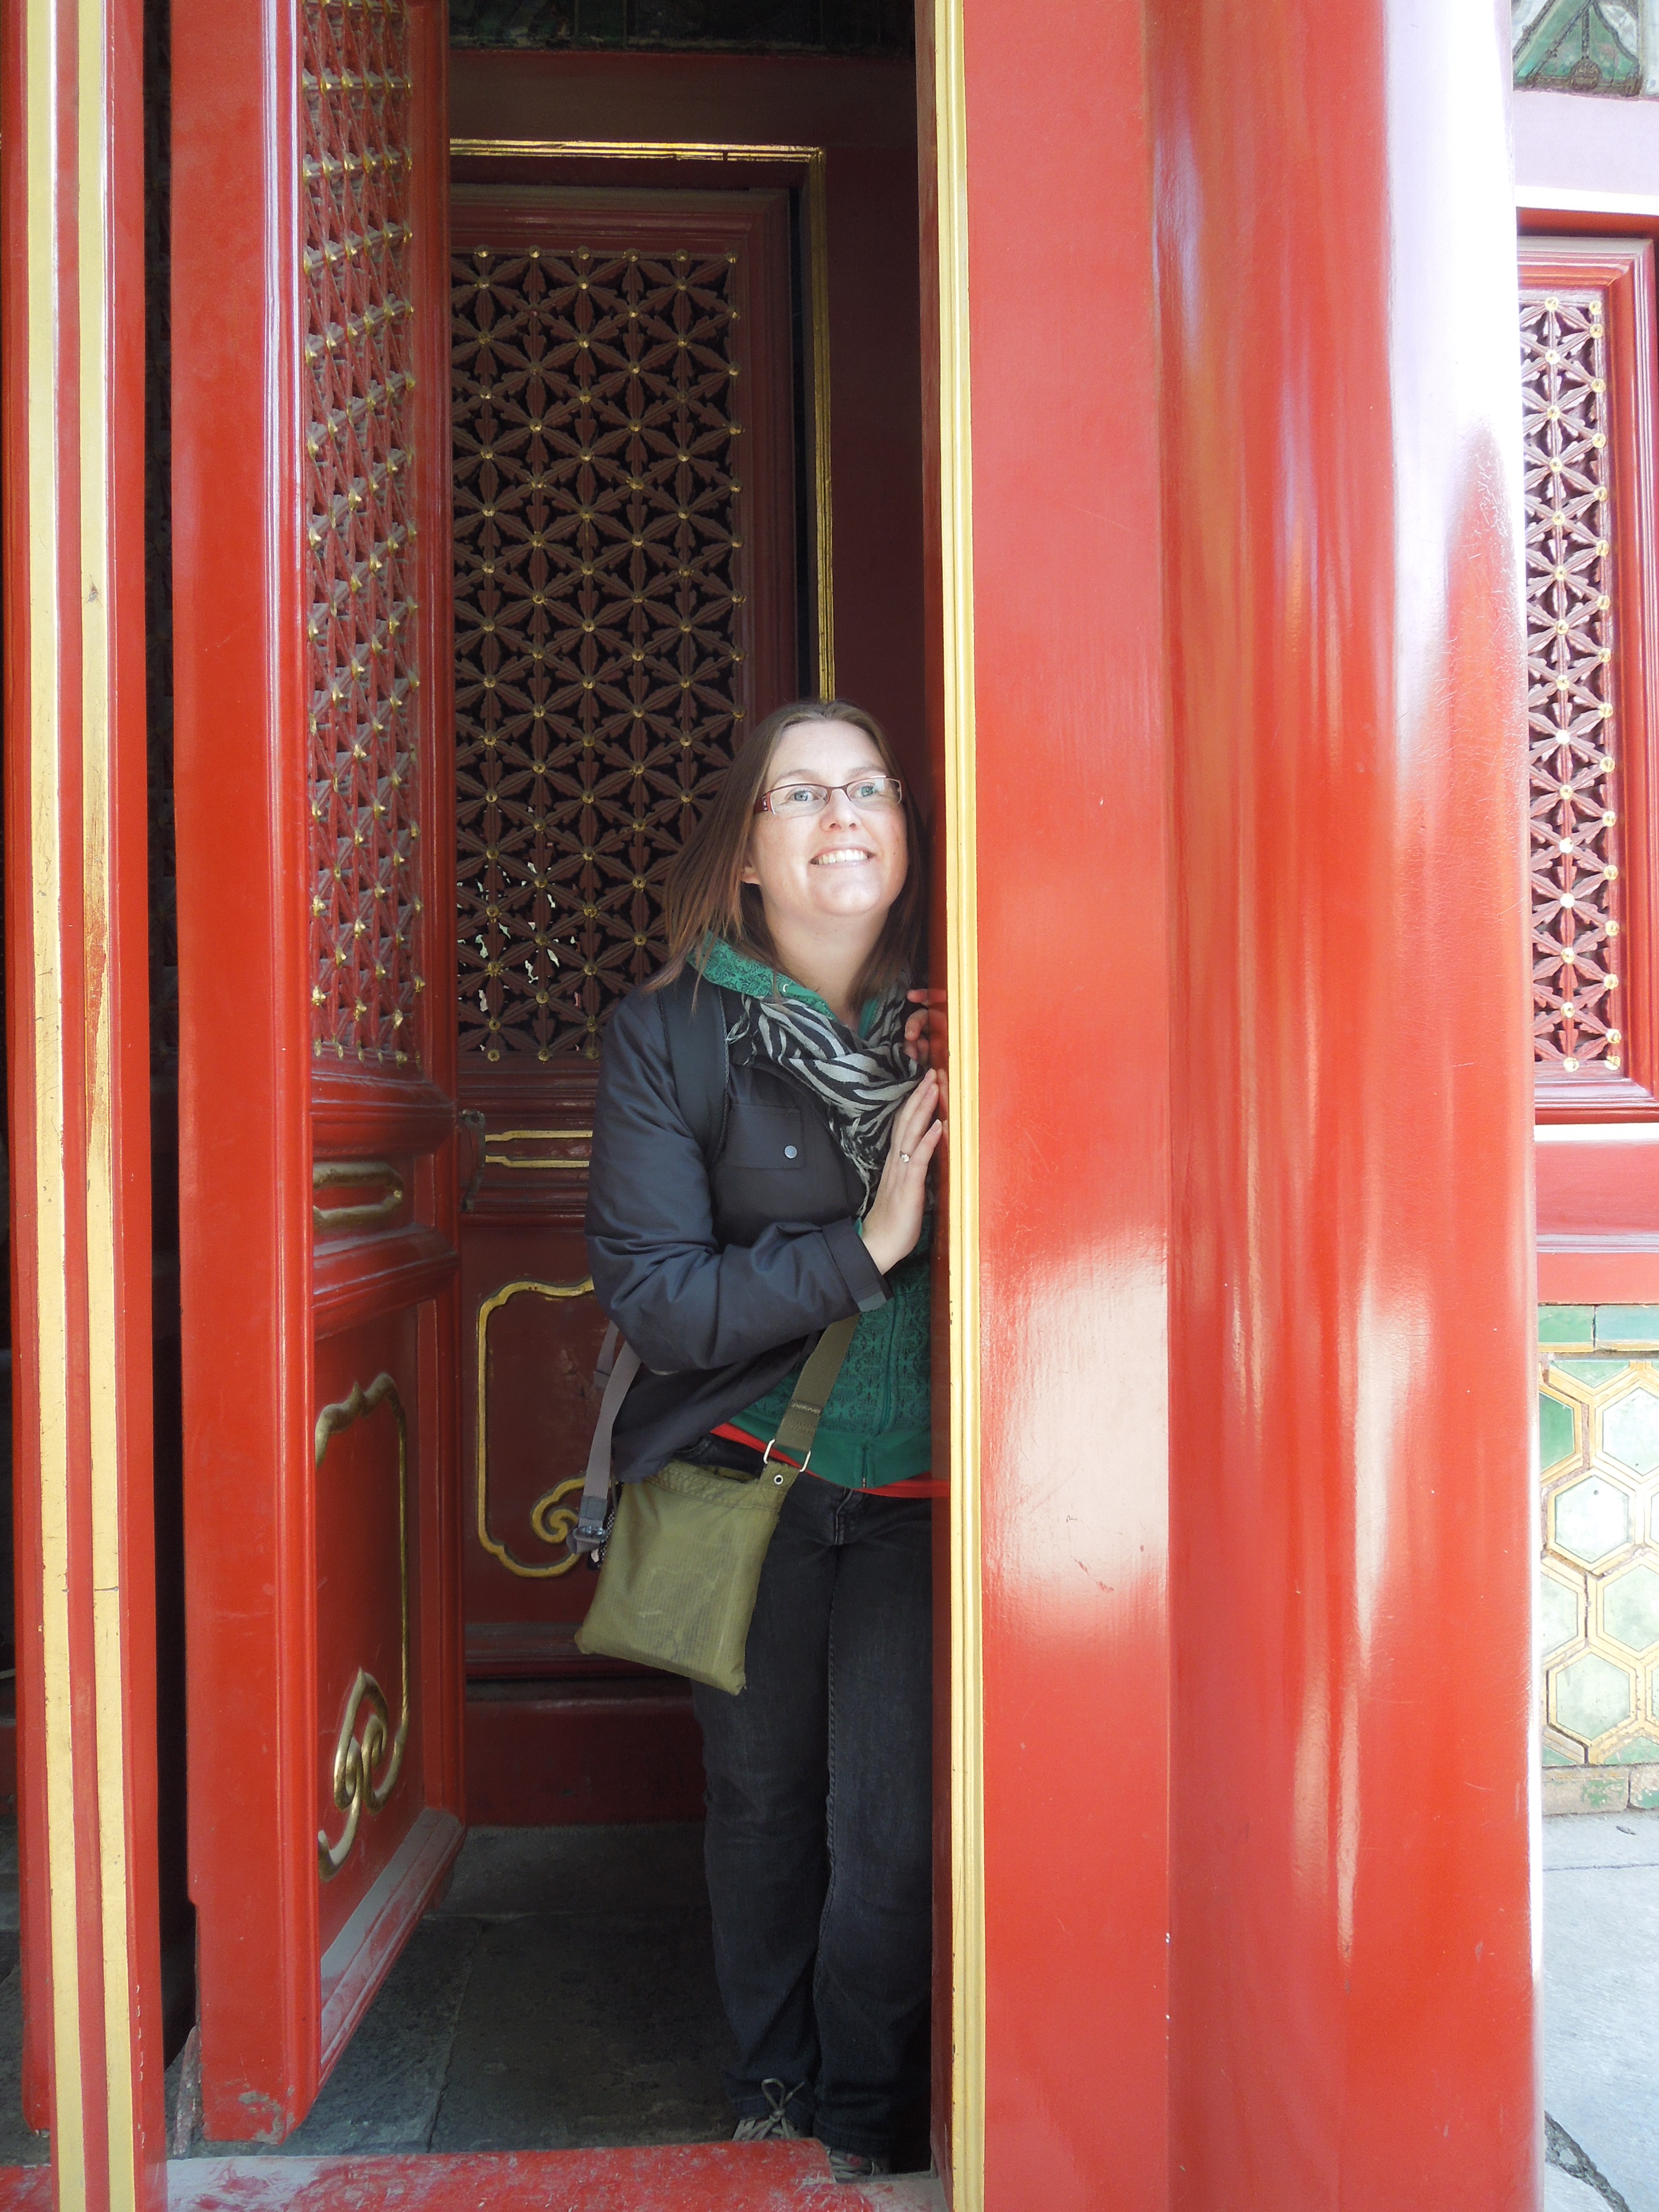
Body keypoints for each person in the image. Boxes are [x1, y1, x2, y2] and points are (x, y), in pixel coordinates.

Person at [584, 697, 943, 2183]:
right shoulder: (671, 1036)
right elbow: (661, 1302)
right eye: (801, 794)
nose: (844, 814)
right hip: (747, 1472)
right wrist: (869, 1245)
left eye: (871, 788)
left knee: (898, 1834)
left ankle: (862, 2122)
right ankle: (772, 2094)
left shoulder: (977, 1011)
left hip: (932, 1492)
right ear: (745, 850)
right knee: (763, 1804)